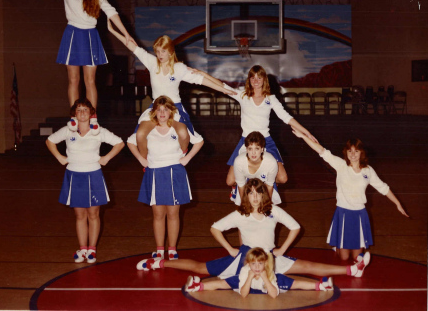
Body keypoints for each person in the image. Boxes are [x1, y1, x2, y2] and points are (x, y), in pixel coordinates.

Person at [137, 179, 370, 279]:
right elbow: (215, 228)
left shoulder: (273, 211)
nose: (256, 197)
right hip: (244, 258)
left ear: (264, 195)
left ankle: (352, 270)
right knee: (200, 269)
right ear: (246, 195)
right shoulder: (241, 213)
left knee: (307, 266)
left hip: (269, 256)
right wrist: (230, 249)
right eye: (251, 193)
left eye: (259, 193)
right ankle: (158, 262)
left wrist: (281, 249)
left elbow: (295, 227)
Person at [15, 0, 133, 133]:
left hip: (90, 36)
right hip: (72, 35)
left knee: (90, 80)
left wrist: (127, 34)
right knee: (73, 79)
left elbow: (112, 13)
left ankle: (93, 117)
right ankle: (74, 117)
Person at [107, 21, 235, 157]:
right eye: (157, 51)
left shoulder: (179, 68)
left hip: (175, 107)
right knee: (140, 134)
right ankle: (146, 163)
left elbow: (202, 80)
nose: (160, 55)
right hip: (156, 107)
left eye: (163, 51)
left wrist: (222, 89)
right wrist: (113, 31)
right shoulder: (152, 63)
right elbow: (131, 45)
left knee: (183, 133)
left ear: (170, 52)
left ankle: (181, 155)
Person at [292, 128, 409, 261]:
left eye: (356, 151)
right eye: (350, 151)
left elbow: (383, 188)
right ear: (346, 153)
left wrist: (398, 204)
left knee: (357, 257)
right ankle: (337, 248)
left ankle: (352, 255)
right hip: (343, 213)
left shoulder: (368, 171)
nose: (353, 154)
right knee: (343, 258)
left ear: (362, 153)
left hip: (359, 215)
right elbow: (321, 150)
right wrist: (303, 137)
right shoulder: (341, 165)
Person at [191, 65, 316, 187]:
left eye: (259, 78)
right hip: (246, 141)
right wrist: (203, 74)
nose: (256, 81)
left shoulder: (271, 99)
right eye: (253, 78)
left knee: (282, 178)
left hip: (266, 141)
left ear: (264, 80)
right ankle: (246, 187)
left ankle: (260, 185)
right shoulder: (243, 95)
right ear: (249, 80)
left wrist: (307, 133)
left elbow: (287, 117)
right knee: (230, 181)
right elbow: (222, 86)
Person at [46, 98, 124, 263]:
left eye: (85, 110)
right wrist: (60, 157)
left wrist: (106, 158)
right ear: (74, 113)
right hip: (74, 176)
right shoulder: (68, 131)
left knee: (93, 214)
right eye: (79, 110)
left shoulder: (99, 131)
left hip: (94, 175)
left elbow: (119, 143)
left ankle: (92, 250)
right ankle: (82, 249)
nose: (82, 113)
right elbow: (50, 141)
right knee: (80, 215)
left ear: (91, 114)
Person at [129, 95, 204, 260]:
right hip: (155, 173)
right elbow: (130, 142)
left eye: (166, 109)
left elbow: (199, 141)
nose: (162, 113)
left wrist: (187, 158)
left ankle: (172, 249)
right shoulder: (148, 128)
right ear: (154, 112)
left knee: (173, 213)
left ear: (171, 111)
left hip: (174, 173)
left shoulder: (178, 128)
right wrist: (141, 159)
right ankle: (159, 249)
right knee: (158, 214)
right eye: (159, 109)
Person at [184, 247, 333, 297]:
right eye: (253, 264)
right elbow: (243, 294)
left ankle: (321, 286)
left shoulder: (268, 271)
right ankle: (198, 287)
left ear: (265, 263)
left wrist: (266, 278)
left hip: (268, 284)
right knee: (222, 283)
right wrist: (249, 278)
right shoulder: (245, 271)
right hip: (247, 283)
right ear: (248, 264)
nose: (256, 267)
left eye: (260, 263)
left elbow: (273, 295)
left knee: (294, 284)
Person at [231, 131, 281, 205]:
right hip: (246, 177)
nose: (253, 153)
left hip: (264, 180)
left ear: (262, 149)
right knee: (230, 182)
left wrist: (267, 205)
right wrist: (245, 205)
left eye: (257, 149)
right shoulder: (239, 161)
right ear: (246, 150)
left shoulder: (271, 162)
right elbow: (241, 186)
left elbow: (269, 186)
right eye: (250, 149)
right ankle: (233, 188)